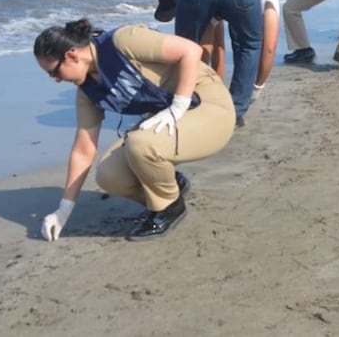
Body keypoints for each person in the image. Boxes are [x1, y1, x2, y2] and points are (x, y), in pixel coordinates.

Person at [34, 18, 235, 241]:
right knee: (109, 175)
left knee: (141, 144)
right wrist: (64, 209)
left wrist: (178, 106)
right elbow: (83, 149)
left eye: (54, 72)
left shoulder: (122, 41)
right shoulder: (87, 91)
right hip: (168, 118)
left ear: (71, 55)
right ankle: (171, 185)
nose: (56, 80)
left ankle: (168, 208)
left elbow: (190, 50)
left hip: (208, 104)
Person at [154, 0, 281, 117]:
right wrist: (256, 88)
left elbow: (210, 47)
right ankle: (235, 113)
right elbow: (269, 47)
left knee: (187, 47)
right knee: (249, 45)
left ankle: (190, 99)